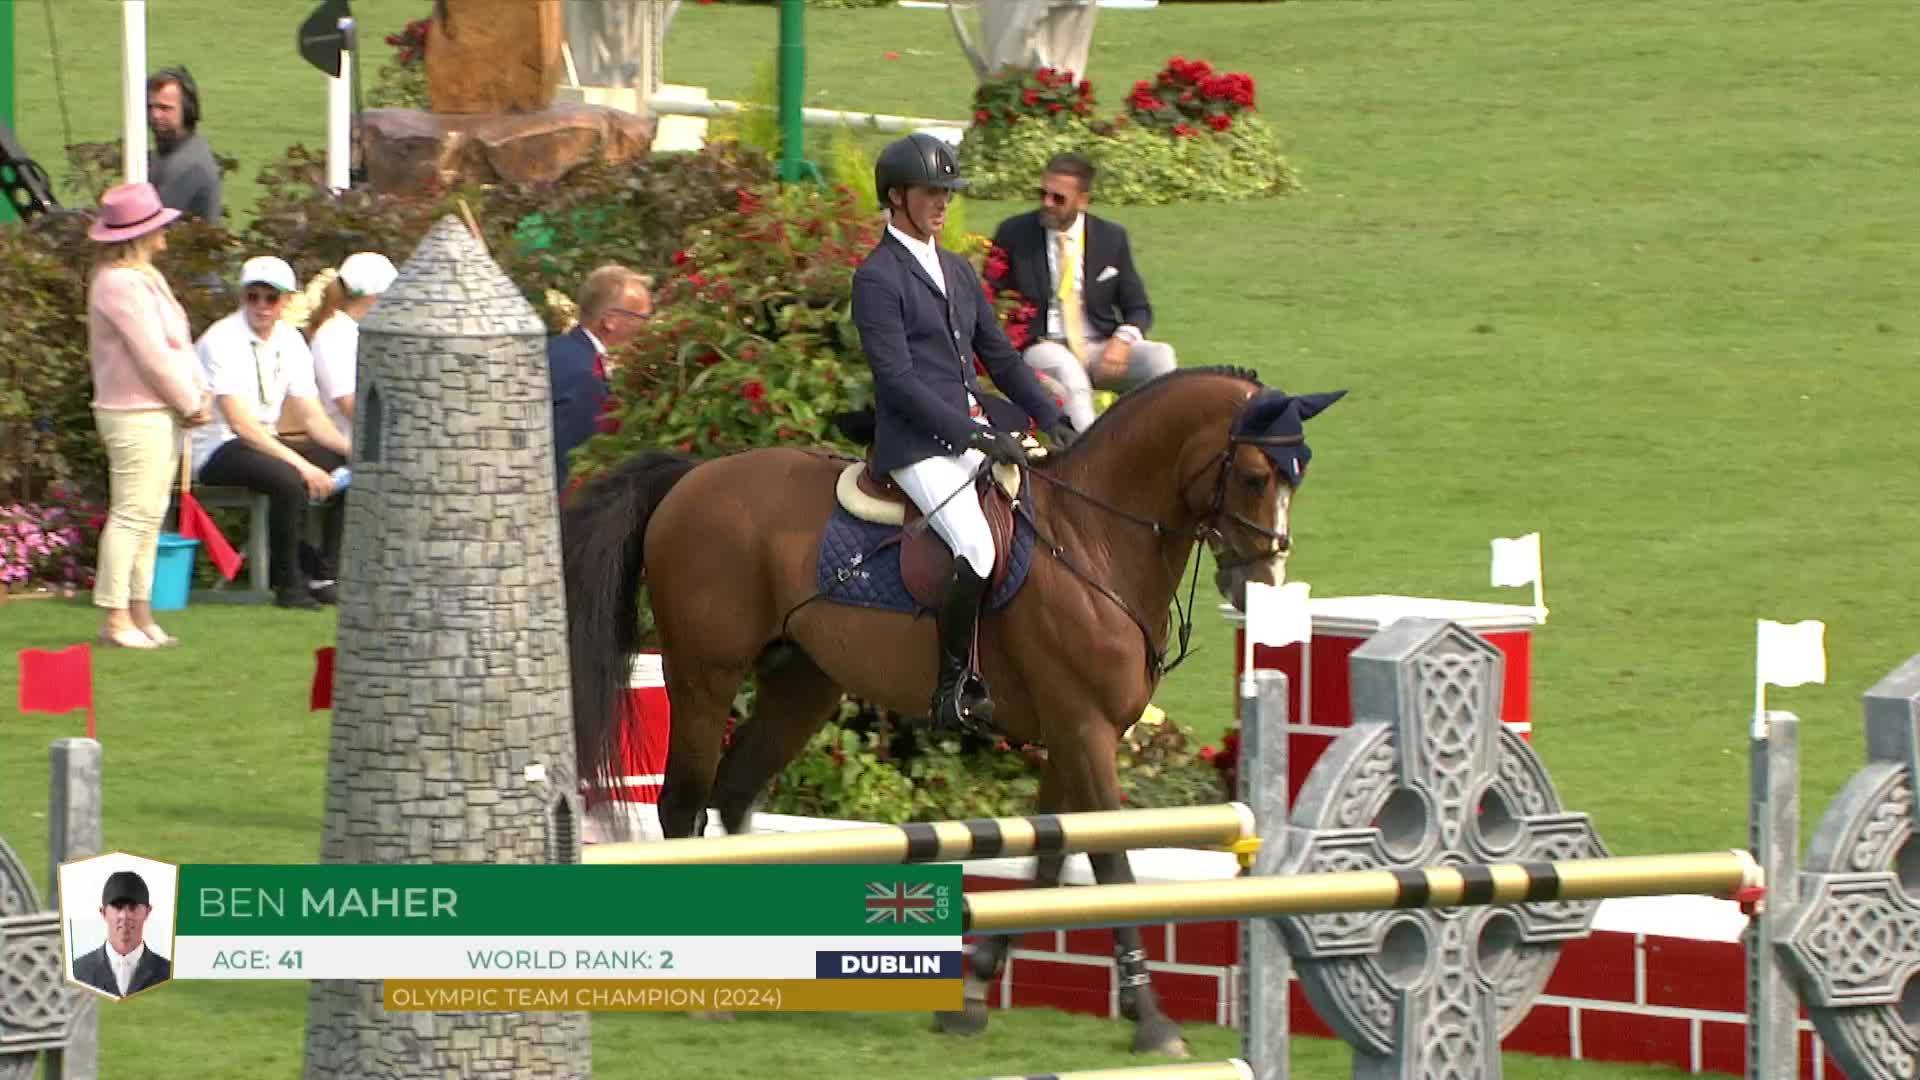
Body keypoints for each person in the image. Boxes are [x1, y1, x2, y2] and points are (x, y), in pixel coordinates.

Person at [851, 133, 1073, 734]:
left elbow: (999, 357)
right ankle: (953, 686)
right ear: (896, 197)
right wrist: (974, 437)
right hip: (917, 444)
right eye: (932, 193)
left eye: (948, 193)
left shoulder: (955, 268)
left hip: (969, 426)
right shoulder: (877, 278)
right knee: (976, 546)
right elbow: (897, 382)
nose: (943, 204)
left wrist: (1051, 415)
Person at [85, 181, 212, 650]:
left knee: (151, 513)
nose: (166, 233)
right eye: (159, 226)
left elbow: (177, 342)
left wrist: (201, 393)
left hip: (161, 409)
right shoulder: (116, 283)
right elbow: (151, 355)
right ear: (139, 233)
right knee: (132, 513)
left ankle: (140, 611)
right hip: (133, 411)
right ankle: (115, 618)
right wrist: (188, 400)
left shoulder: (145, 276)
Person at [191, 256, 351, 609]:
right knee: (289, 479)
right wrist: (303, 465)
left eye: (271, 297)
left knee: (343, 465)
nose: (262, 305)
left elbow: (312, 416)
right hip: (217, 446)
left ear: (286, 301)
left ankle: (325, 573)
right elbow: (240, 424)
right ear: (242, 297)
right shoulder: (222, 339)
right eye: (254, 296)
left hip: (263, 441)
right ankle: (289, 584)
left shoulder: (290, 341)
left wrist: (351, 449)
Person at [989, 152, 1176, 433]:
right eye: (1043, 193)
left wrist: (1122, 340)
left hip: (1098, 345)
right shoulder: (1014, 233)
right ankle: (1090, 463)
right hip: (1043, 343)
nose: (1047, 203)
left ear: (1083, 200)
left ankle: (1158, 445)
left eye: (1058, 198)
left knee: (1161, 357)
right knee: (1070, 376)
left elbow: (1138, 308)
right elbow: (990, 297)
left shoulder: (1111, 238)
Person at [550, 264, 653, 491]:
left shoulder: (557, 350)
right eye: (643, 319)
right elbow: (575, 465)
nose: (649, 329)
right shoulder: (584, 374)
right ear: (610, 320)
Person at [307, 251, 399, 439]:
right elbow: (350, 406)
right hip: (350, 443)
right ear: (374, 295)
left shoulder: (367, 331)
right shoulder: (332, 336)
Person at [71, 870, 172, 999]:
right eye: (117, 907)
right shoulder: (78, 972)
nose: (124, 916)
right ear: (103, 912)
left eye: (133, 907)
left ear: (147, 911)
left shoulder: (168, 973)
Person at [146, 67, 222, 227]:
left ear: (187, 111)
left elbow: (149, 226)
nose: (155, 115)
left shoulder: (187, 166)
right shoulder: (167, 152)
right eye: (150, 107)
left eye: (164, 108)